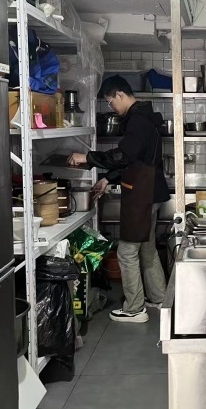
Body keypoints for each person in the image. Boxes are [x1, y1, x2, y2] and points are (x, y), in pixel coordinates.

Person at [69, 75, 169, 323]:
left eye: (111, 101)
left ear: (120, 95)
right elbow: (134, 160)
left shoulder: (137, 121)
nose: (111, 106)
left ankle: (134, 309)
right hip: (151, 192)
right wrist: (108, 178)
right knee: (147, 248)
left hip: (141, 195)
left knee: (126, 252)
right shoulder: (146, 116)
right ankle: (159, 299)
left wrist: (87, 157)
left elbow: (123, 156)